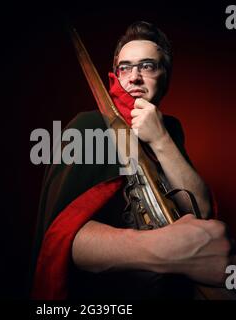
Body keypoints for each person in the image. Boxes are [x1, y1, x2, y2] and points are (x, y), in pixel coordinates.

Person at [31, 21, 233, 300]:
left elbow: (201, 211)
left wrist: (160, 139)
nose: (134, 77)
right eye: (125, 67)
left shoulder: (170, 129)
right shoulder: (89, 126)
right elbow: (62, 238)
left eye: (148, 66)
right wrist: (168, 250)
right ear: (115, 74)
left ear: (165, 76)